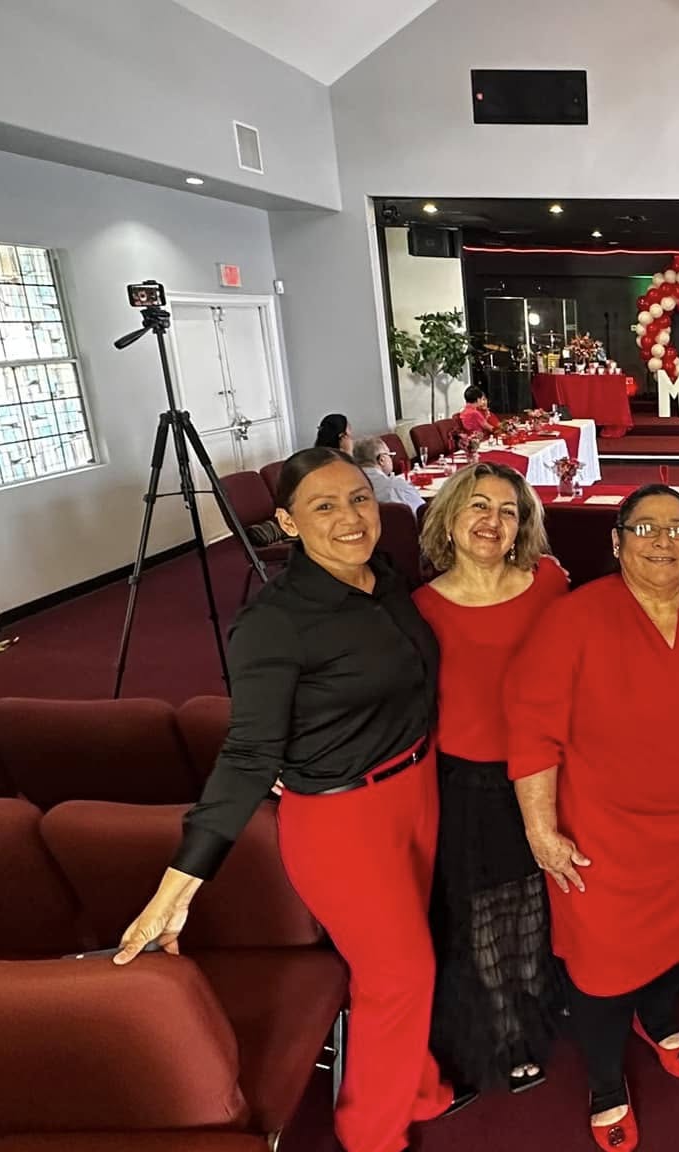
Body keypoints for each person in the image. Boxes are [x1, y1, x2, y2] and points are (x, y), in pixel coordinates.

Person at [114, 447, 468, 1152]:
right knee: (400, 974)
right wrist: (177, 888)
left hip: (416, 789)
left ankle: (417, 1085)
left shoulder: (386, 578)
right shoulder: (273, 622)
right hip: (342, 820)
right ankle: (369, 1135)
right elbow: (248, 753)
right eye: (324, 506)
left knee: (400, 960)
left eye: (359, 498)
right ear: (287, 523)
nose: (350, 518)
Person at [508, 486, 679, 1151]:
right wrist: (541, 830)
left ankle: (655, 1018)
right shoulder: (575, 619)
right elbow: (534, 734)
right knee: (602, 966)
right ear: (616, 541)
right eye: (645, 528)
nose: (663, 541)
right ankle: (605, 1082)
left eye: (678, 529)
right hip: (603, 837)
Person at [412, 462, 564, 1097]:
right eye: (478, 505)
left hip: (545, 774)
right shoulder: (421, 608)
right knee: (479, 911)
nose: (492, 521)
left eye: (507, 510)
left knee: (535, 900)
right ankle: (500, 1027)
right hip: (465, 783)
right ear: (449, 518)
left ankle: (534, 1010)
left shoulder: (549, 582)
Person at [354, 436, 425, 511]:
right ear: (382, 460)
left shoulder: (349, 489)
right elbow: (424, 512)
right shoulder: (396, 487)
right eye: (390, 455)